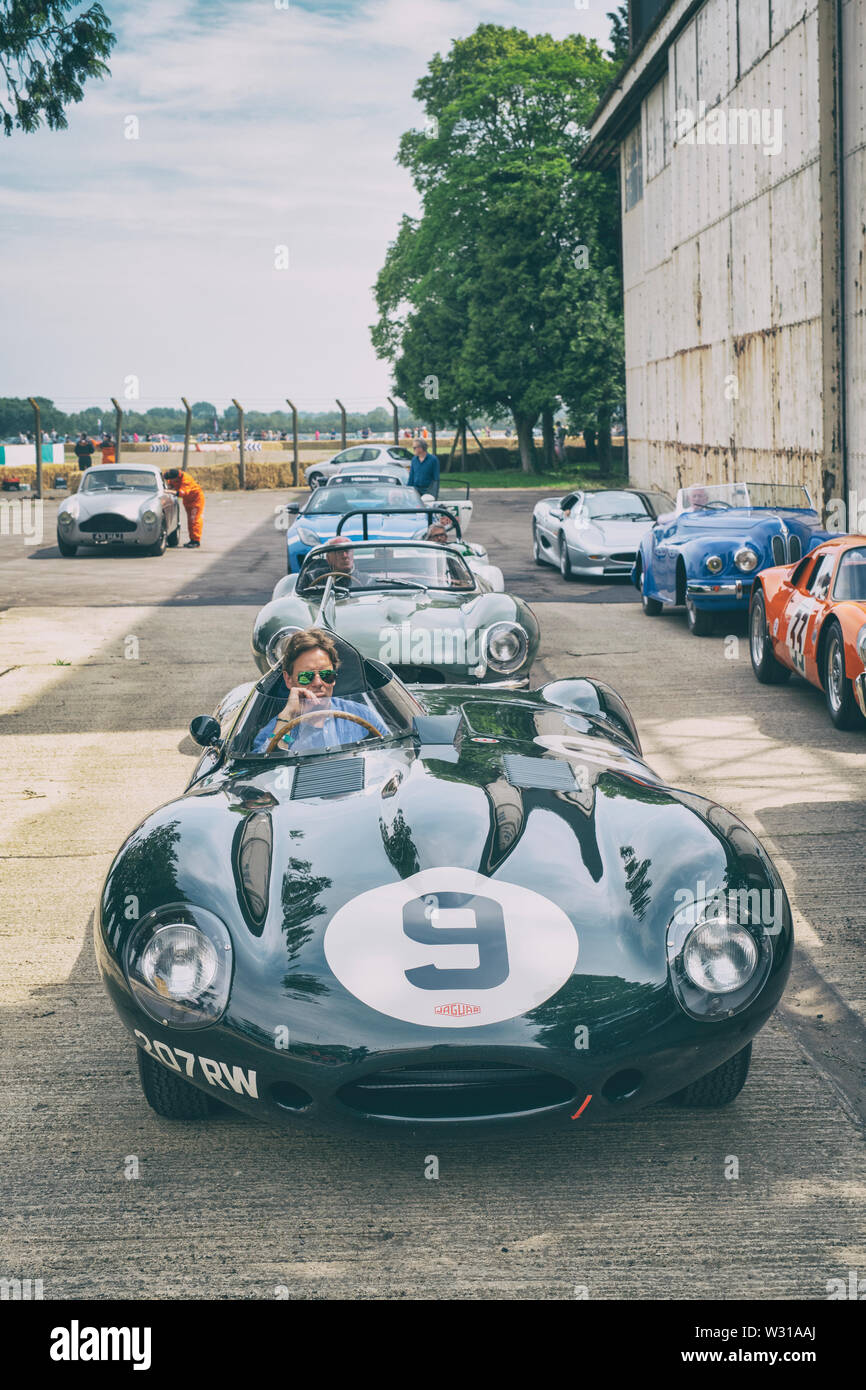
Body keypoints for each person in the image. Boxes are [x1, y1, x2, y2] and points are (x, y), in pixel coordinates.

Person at [253, 628, 387, 753]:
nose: (318, 683)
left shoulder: (364, 716)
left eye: (326, 676)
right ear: (288, 680)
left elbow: (391, 753)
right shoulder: (275, 728)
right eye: (307, 677)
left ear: (334, 678)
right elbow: (262, 770)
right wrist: (287, 716)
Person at [163, 467, 205, 547]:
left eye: (171, 479)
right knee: (190, 521)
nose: (170, 481)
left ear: (176, 478)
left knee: (194, 520)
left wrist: (169, 491)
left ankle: (196, 541)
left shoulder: (186, 480)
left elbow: (182, 493)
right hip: (187, 501)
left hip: (196, 501)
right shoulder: (173, 476)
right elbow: (170, 484)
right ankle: (192, 540)